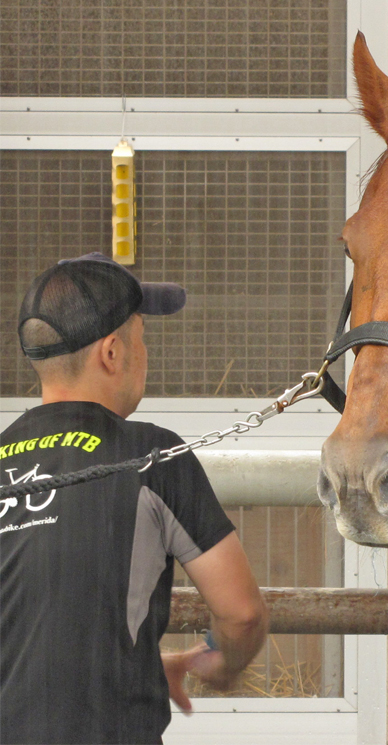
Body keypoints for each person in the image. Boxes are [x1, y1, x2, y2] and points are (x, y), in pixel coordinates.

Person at [0, 253, 268, 744]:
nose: (146, 353)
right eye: (142, 335)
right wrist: (217, 660)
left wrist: (138, 662)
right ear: (111, 352)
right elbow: (241, 613)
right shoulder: (151, 456)